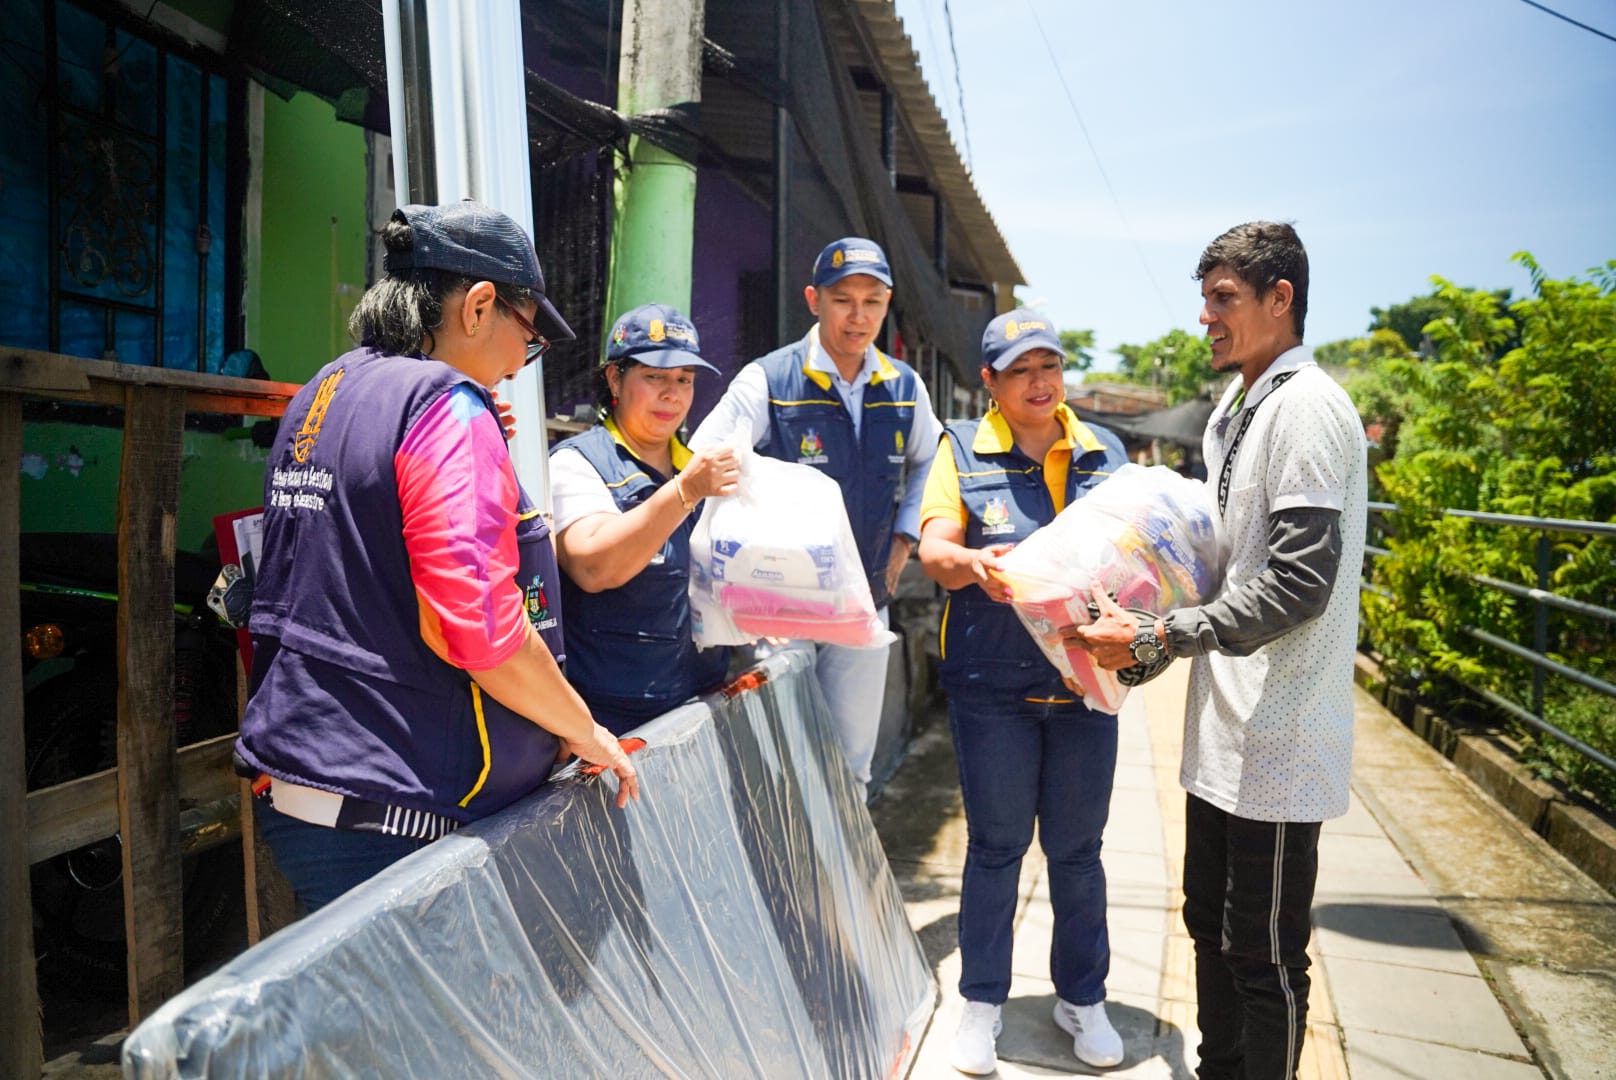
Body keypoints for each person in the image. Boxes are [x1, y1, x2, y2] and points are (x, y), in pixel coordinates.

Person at [236, 201, 639, 914]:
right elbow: (474, 629)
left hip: (305, 779)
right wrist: (586, 732)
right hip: (396, 809)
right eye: (530, 336)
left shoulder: (325, 391)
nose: (521, 364)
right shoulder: (447, 409)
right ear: (480, 306)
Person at [1076, 221, 1367, 1080]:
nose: (1206, 317)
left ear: (1282, 300)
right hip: (1226, 731)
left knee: (1266, 954)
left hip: (1281, 733)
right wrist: (1139, 613)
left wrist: (1161, 635)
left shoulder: (1309, 407)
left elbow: (1297, 584)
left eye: (1224, 299)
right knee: (1210, 926)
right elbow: (1224, 563)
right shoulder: (1242, 409)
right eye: (1205, 299)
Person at [917, 309, 1131, 1075]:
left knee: (1079, 853)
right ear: (991, 383)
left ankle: (1083, 997)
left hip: (1084, 686)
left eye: (1049, 366)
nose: (1039, 383)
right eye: (1020, 370)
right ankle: (982, 1003)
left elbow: (1139, 556)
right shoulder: (960, 450)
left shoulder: (1106, 452)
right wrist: (977, 562)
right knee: (997, 847)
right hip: (992, 687)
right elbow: (934, 551)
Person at [688, 237, 942, 794]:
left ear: (887, 303)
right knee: (783, 770)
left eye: (872, 301)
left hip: (863, 603)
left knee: (851, 769)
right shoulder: (769, 380)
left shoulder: (903, 387)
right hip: (779, 612)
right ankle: (785, 883)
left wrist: (905, 538)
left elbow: (933, 462)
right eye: (842, 299)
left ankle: (837, 883)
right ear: (813, 300)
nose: (858, 316)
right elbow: (706, 453)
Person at [549, 304, 740, 733]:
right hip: (612, 721)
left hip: (699, 704)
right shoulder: (577, 464)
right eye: (654, 377)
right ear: (615, 379)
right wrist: (685, 492)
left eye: (684, 380)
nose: (671, 394)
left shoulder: (698, 466)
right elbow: (594, 567)